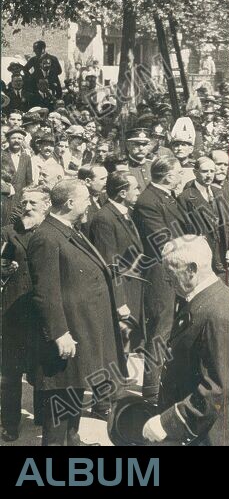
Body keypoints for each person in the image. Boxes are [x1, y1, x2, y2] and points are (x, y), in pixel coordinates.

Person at [28, 178, 129, 445]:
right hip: (65, 335)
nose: (89, 204)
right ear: (70, 202)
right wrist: (59, 332)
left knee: (73, 392)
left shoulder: (69, 230)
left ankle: (72, 441)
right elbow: (45, 293)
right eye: (85, 199)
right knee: (59, 403)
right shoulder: (47, 237)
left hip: (80, 330)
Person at [142, 235, 229, 446]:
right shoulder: (205, 297)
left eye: (170, 273)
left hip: (212, 434)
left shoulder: (217, 311)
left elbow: (218, 388)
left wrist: (167, 423)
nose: (166, 281)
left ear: (191, 270)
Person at [133, 155, 187, 401]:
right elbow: (162, 240)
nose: (181, 176)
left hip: (175, 269)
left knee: (174, 327)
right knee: (160, 329)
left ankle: (168, 380)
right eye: (178, 172)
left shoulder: (166, 195)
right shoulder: (148, 200)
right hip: (159, 272)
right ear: (167, 176)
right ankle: (151, 389)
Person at [1, 185, 50, 442]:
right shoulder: (9, 233)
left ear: (47, 206)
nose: (27, 208)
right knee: (10, 372)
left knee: (42, 369)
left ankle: (42, 415)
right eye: (24, 203)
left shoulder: (52, 233)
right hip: (14, 313)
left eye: (33, 203)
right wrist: (5, 268)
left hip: (43, 313)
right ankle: (9, 422)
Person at [87, 172, 146, 354]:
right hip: (120, 293)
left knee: (126, 346)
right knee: (117, 348)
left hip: (132, 289)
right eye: (135, 188)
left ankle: (121, 381)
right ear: (122, 193)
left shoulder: (126, 214)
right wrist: (120, 302)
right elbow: (109, 264)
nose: (139, 192)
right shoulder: (104, 218)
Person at [179, 157, 229, 279]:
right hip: (202, 256)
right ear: (195, 173)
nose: (209, 175)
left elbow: (228, 223)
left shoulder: (219, 192)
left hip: (223, 254)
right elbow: (183, 230)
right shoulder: (186, 197)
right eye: (205, 171)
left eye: (212, 171)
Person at [1, 128, 34, 225]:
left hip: (20, 200)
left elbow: (29, 181)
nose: (16, 141)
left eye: (20, 138)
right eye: (13, 138)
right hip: (4, 199)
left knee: (16, 226)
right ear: (8, 140)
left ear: (23, 141)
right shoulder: (2, 155)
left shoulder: (26, 158)